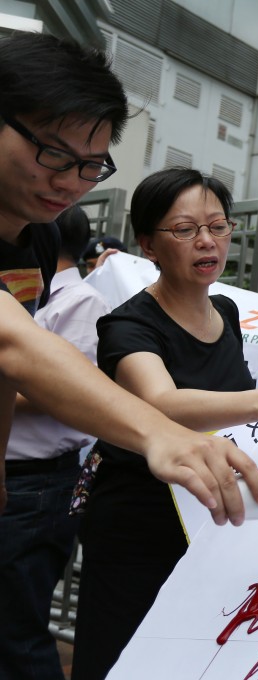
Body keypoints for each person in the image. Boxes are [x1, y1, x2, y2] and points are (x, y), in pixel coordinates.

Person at [71, 168, 258, 680]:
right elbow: (161, 403)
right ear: (148, 244)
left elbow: (232, 403)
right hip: (138, 522)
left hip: (210, 514)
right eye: (184, 229)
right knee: (121, 657)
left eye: (217, 226)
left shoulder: (227, 310)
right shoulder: (128, 325)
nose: (205, 242)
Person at [0, 32, 258, 531]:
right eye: (55, 155)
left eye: (91, 165)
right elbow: (14, 343)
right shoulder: (129, 322)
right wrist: (157, 432)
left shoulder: (35, 238)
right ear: (149, 244)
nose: (71, 182)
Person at [0, 205, 110, 680]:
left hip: (37, 484)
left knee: (17, 634)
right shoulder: (33, 297)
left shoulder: (81, 302)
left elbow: (61, 393)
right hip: (17, 479)